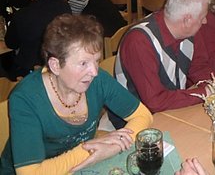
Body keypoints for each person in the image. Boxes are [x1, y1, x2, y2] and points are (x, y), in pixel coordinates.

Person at [0, 14, 152, 174]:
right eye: (83, 63)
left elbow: (143, 115)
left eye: (96, 61)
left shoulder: (98, 80)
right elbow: (30, 172)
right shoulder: (26, 98)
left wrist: (114, 146)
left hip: (80, 167)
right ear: (55, 65)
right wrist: (89, 151)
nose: (94, 71)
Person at [115, 0, 215, 113]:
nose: (205, 21)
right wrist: (206, 92)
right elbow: (155, 102)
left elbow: (198, 66)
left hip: (170, 108)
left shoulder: (189, 31)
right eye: (202, 17)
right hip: (136, 118)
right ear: (187, 20)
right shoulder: (139, 41)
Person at [4, 0, 71, 79]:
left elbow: (11, 43)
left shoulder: (22, 14)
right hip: (60, 64)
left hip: (30, 70)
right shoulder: (64, 6)